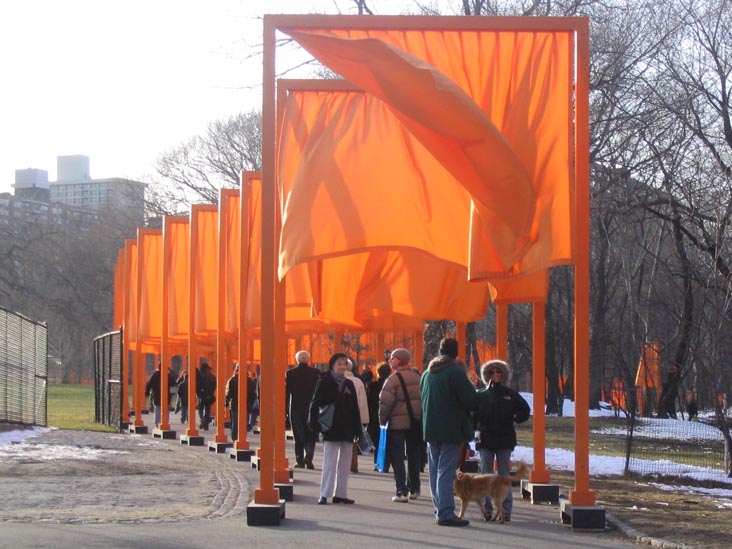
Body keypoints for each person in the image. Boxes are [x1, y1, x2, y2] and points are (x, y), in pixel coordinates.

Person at [420, 337, 478, 527]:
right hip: (450, 428)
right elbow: (470, 399)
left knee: (435, 469)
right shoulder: (455, 372)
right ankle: (445, 513)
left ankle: (439, 509)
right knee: (446, 471)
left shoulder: (427, 373)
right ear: (456, 352)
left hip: (431, 427)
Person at [474, 359, 531, 522]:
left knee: (504, 475)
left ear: (504, 375)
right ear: (487, 375)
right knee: (485, 475)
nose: (496, 375)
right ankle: (487, 510)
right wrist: (473, 431)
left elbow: (525, 410)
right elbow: (473, 414)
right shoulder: (482, 395)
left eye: (499, 372)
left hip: (505, 439)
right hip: (485, 439)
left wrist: (515, 416)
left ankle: (505, 511)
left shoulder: (510, 394)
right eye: (492, 372)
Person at [308, 352, 362, 505]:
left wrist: (358, 429)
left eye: (345, 363)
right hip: (330, 427)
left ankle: (341, 494)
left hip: (347, 427)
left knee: (345, 463)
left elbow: (355, 408)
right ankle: (324, 494)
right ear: (332, 365)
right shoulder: (324, 382)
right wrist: (314, 424)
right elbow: (315, 403)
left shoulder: (349, 383)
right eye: (340, 363)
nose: (342, 366)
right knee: (329, 462)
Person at [379, 348, 422, 502]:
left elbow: (385, 402)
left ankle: (401, 491)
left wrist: (382, 420)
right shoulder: (418, 376)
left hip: (397, 423)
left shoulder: (393, 379)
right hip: (415, 422)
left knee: (398, 457)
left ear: (399, 360)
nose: (390, 360)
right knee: (414, 455)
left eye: (393, 358)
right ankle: (415, 488)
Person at [285, 350, 320, 469]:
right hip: (312, 406)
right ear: (308, 359)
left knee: (298, 433)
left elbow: (287, 392)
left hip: (295, 407)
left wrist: (285, 409)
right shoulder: (316, 373)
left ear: (297, 360)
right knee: (311, 433)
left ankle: (299, 461)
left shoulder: (290, 373)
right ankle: (309, 458)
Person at [345, 358, 369, 473]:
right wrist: (364, 418)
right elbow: (362, 401)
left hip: (339, 416)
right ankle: (353, 464)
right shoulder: (358, 381)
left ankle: (341, 464)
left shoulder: (336, 380)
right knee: (353, 441)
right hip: (355, 415)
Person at [367, 361, 391, 472]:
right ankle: (386, 462)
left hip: (374, 416)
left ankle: (378, 462)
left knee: (377, 440)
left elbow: (368, 402)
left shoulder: (372, 386)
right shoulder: (391, 385)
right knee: (389, 439)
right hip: (389, 416)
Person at [197, 362, 216, 431]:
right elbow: (214, 385)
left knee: (200, 408)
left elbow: (197, 385)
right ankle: (206, 425)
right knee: (208, 410)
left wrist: (199, 393)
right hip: (209, 395)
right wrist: (210, 393)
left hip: (202, 395)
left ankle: (202, 418)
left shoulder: (200, 375)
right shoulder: (212, 376)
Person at [224, 363, 241, 441]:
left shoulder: (232, 380)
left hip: (234, 404)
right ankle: (241, 437)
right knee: (243, 422)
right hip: (244, 405)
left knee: (234, 422)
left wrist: (226, 402)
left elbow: (228, 392)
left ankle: (234, 438)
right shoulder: (248, 380)